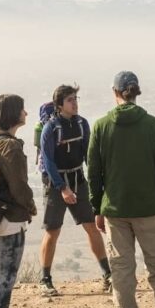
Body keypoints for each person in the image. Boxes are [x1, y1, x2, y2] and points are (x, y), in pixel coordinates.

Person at [87, 71, 155, 308]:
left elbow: (93, 174)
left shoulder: (100, 126)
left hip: (115, 211)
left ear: (115, 92)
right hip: (149, 209)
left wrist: (97, 208)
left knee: (121, 272)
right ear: (136, 92)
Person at [38, 84, 111, 296]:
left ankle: (107, 274)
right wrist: (62, 188)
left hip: (78, 180)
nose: (75, 103)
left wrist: (98, 183)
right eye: (70, 100)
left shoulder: (82, 124)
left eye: (76, 98)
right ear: (59, 105)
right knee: (53, 231)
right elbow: (49, 161)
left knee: (91, 226)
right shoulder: (50, 128)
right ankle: (45, 279)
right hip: (56, 184)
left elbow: (89, 155)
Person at [0, 94, 37, 308]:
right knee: (6, 278)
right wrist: (30, 207)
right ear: (14, 114)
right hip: (10, 219)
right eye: (22, 109)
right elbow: (19, 187)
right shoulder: (11, 146)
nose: (26, 113)